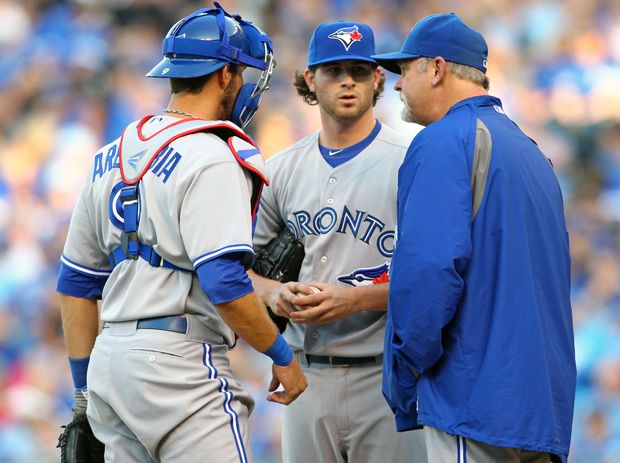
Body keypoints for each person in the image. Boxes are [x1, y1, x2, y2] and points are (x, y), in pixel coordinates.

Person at [57, 5, 306, 462]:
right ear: (226, 74)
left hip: (110, 364)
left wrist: (82, 395)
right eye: (244, 74)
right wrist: (282, 355)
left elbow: (75, 284)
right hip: (179, 366)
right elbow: (224, 282)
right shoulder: (214, 154)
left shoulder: (108, 155)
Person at [372, 12, 576, 463]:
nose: (398, 86)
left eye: (405, 70)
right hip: (540, 408)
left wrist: (404, 374)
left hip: (473, 400)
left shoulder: (445, 140)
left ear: (438, 68)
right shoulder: (532, 151)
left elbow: (429, 271)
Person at [250, 21, 426, 463]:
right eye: (333, 70)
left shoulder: (411, 164)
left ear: (378, 79)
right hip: (305, 377)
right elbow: (236, 269)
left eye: (359, 70)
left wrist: (359, 299)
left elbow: (438, 279)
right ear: (310, 79)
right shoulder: (282, 169)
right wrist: (273, 292)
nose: (348, 80)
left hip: (386, 378)